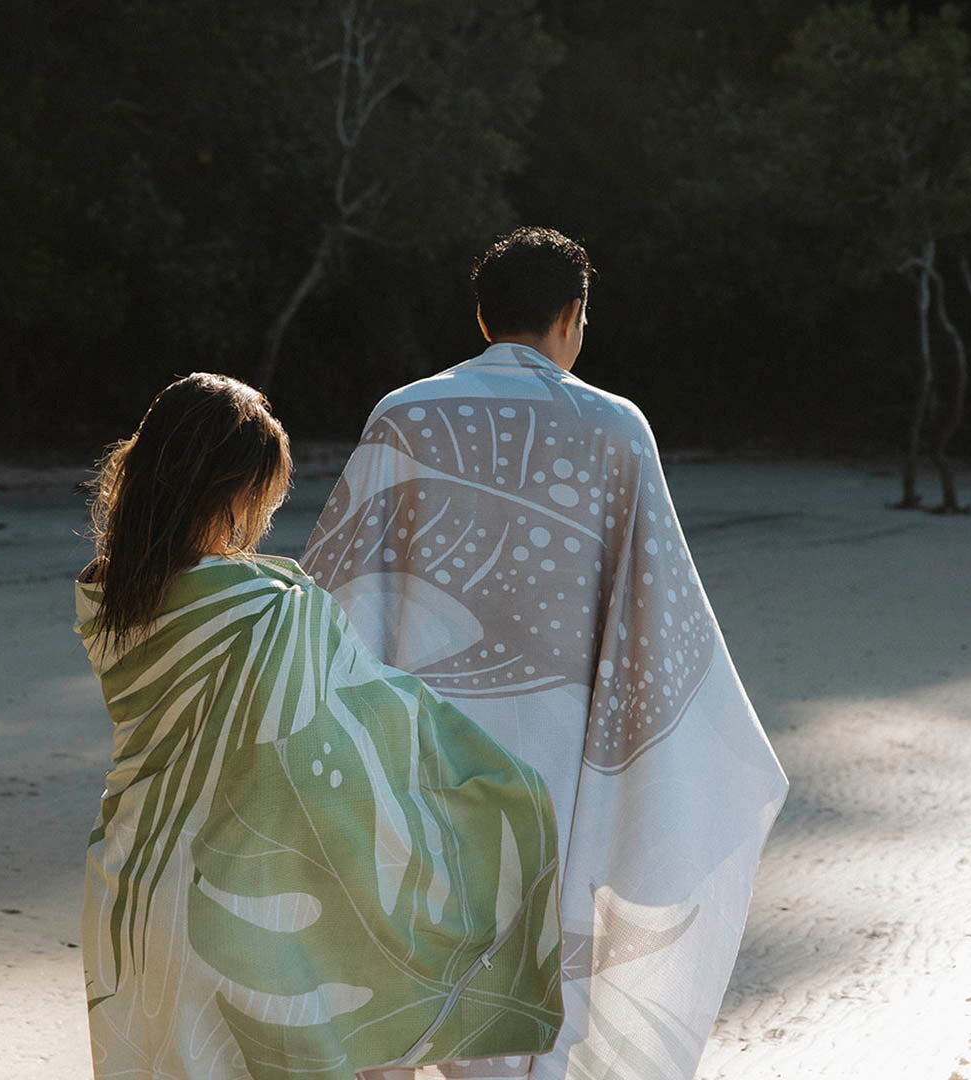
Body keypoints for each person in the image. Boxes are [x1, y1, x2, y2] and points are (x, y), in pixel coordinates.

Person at [302, 227, 789, 1080]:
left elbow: (334, 602)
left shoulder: (403, 416)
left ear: (484, 318)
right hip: (552, 779)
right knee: (524, 1027)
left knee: (403, 996)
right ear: (574, 316)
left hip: (415, 768)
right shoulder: (614, 429)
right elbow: (655, 614)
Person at [74, 372, 565, 1080]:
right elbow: (363, 736)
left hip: (132, 891)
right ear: (237, 491)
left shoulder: (105, 590)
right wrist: (504, 788)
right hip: (242, 916)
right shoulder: (272, 607)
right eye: (261, 495)